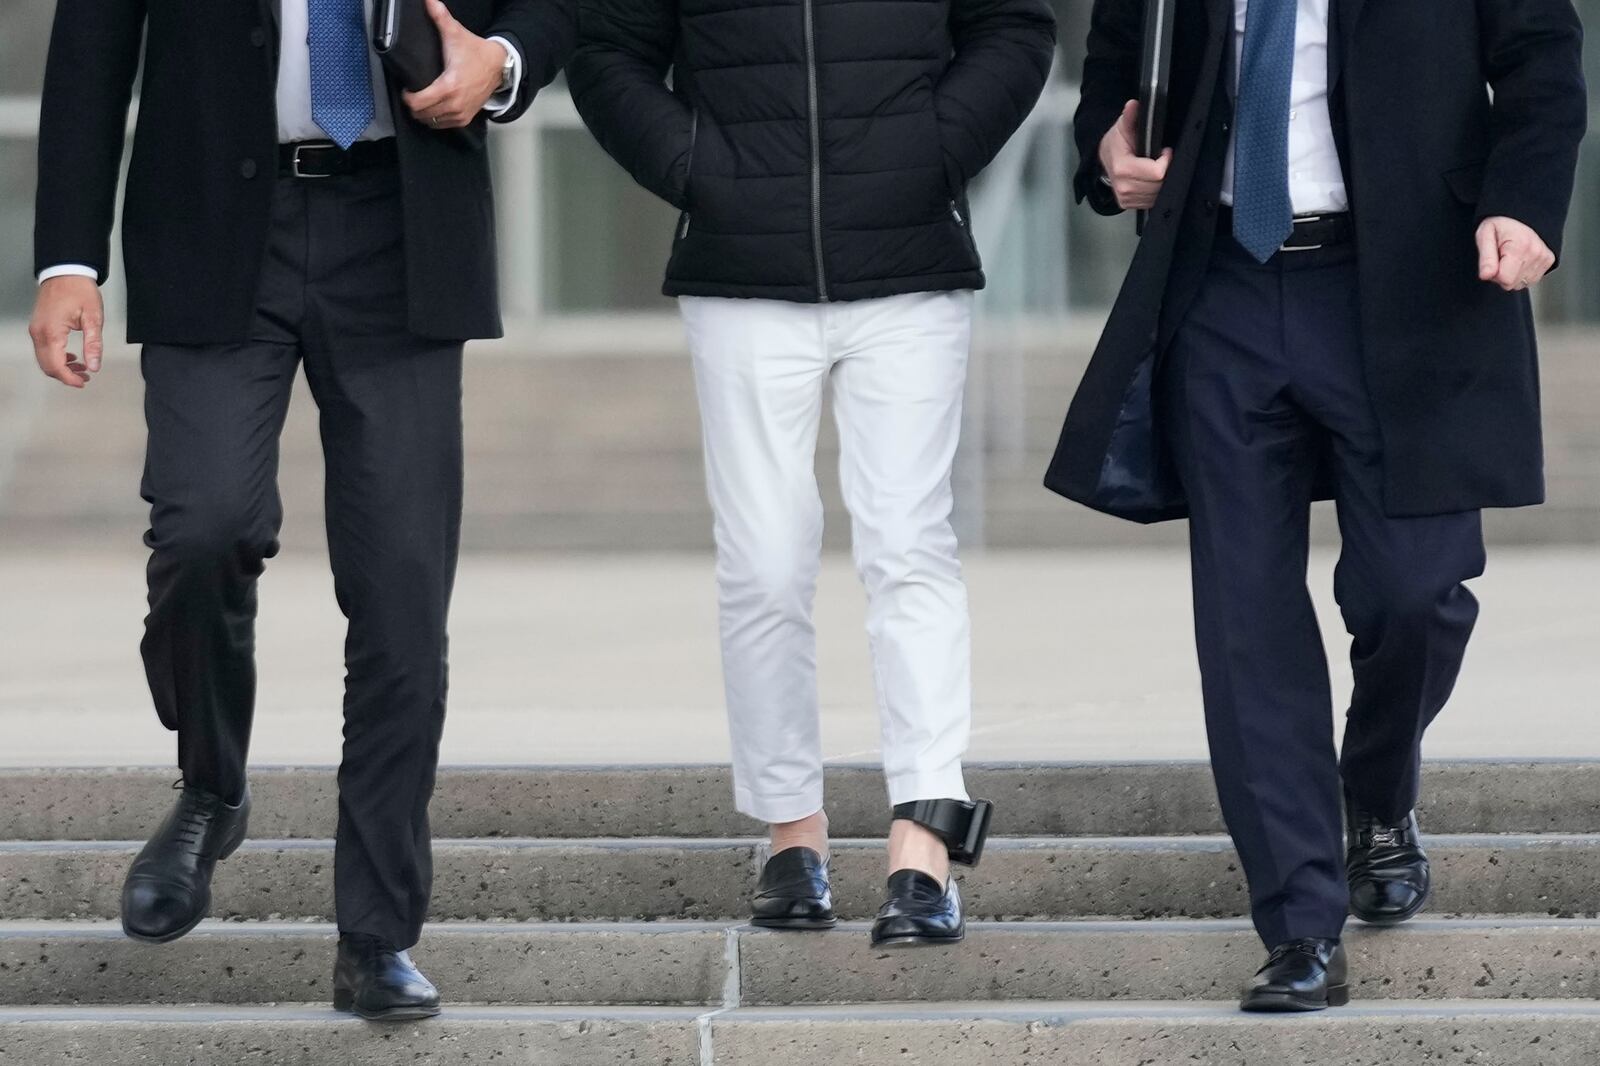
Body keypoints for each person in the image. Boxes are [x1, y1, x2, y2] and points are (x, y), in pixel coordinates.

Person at [29, 0, 572, 1021]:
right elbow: (92, 44)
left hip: (403, 225)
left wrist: (499, 63)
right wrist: (68, 259)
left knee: (402, 594)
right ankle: (211, 783)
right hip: (211, 227)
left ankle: (377, 936)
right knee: (204, 526)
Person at [1046, 0, 1586, 1010]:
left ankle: (1376, 796)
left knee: (1414, 592)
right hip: (1221, 286)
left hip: (1413, 280)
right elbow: (1116, 64)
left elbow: (1540, 57)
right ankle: (1297, 923)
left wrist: (1524, 204)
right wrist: (1105, 151)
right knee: (1244, 618)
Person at [568, 0, 1054, 944]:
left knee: (909, 546)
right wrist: (699, 168)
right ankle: (793, 833)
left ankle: (924, 843)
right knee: (762, 562)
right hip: (742, 267)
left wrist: (931, 151)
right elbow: (608, 52)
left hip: (908, 261)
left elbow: (1015, 28)